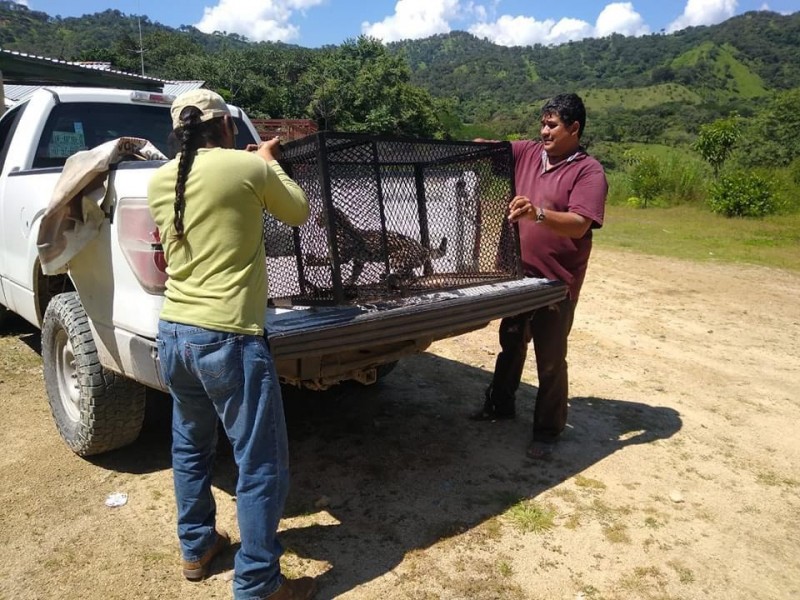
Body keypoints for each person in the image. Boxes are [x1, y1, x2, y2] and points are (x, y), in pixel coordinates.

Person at [147, 89, 315, 600]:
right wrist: (266, 161)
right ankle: (259, 583)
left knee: (190, 445)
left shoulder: (160, 179)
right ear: (224, 127)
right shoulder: (249, 170)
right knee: (260, 461)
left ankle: (197, 546)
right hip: (230, 339)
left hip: (174, 332)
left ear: (180, 132)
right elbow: (299, 212)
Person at [470, 93, 607, 460]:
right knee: (511, 341)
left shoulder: (588, 171)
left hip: (555, 283)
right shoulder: (528, 153)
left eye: (553, 125)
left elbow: (579, 225)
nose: (544, 130)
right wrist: (463, 146)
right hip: (518, 274)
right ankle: (499, 405)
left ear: (574, 128)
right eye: (543, 123)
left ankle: (547, 431)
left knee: (550, 358)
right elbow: (490, 149)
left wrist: (538, 215)